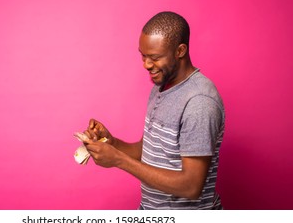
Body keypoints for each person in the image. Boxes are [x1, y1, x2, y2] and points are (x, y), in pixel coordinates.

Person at [83, 11, 225, 210]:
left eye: (154, 57)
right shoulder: (161, 87)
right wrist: (112, 143)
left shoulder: (199, 102)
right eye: (143, 55)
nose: (146, 64)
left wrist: (119, 160)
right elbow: (149, 151)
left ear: (180, 50)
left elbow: (191, 186)